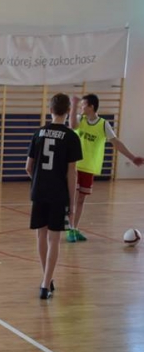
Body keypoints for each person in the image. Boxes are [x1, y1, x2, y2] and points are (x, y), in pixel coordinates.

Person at [26, 93, 82, 299]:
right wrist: (72, 204)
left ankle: (46, 279)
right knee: (54, 239)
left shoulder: (38, 133)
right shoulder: (71, 137)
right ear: (68, 111)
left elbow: (28, 167)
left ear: (50, 110)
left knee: (41, 235)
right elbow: (71, 174)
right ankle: (45, 284)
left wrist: (39, 181)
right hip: (58, 193)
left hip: (39, 191)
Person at [68, 93, 143, 242]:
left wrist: (132, 157)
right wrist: (74, 105)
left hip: (89, 167)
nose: (82, 107)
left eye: (83, 105)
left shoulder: (103, 124)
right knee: (72, 199)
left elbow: (116, 142)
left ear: (91, 107)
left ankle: (74, 228)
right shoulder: (80, 119)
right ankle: (69, 229)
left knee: (81, 200)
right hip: (74, 165)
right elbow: (72, 126)